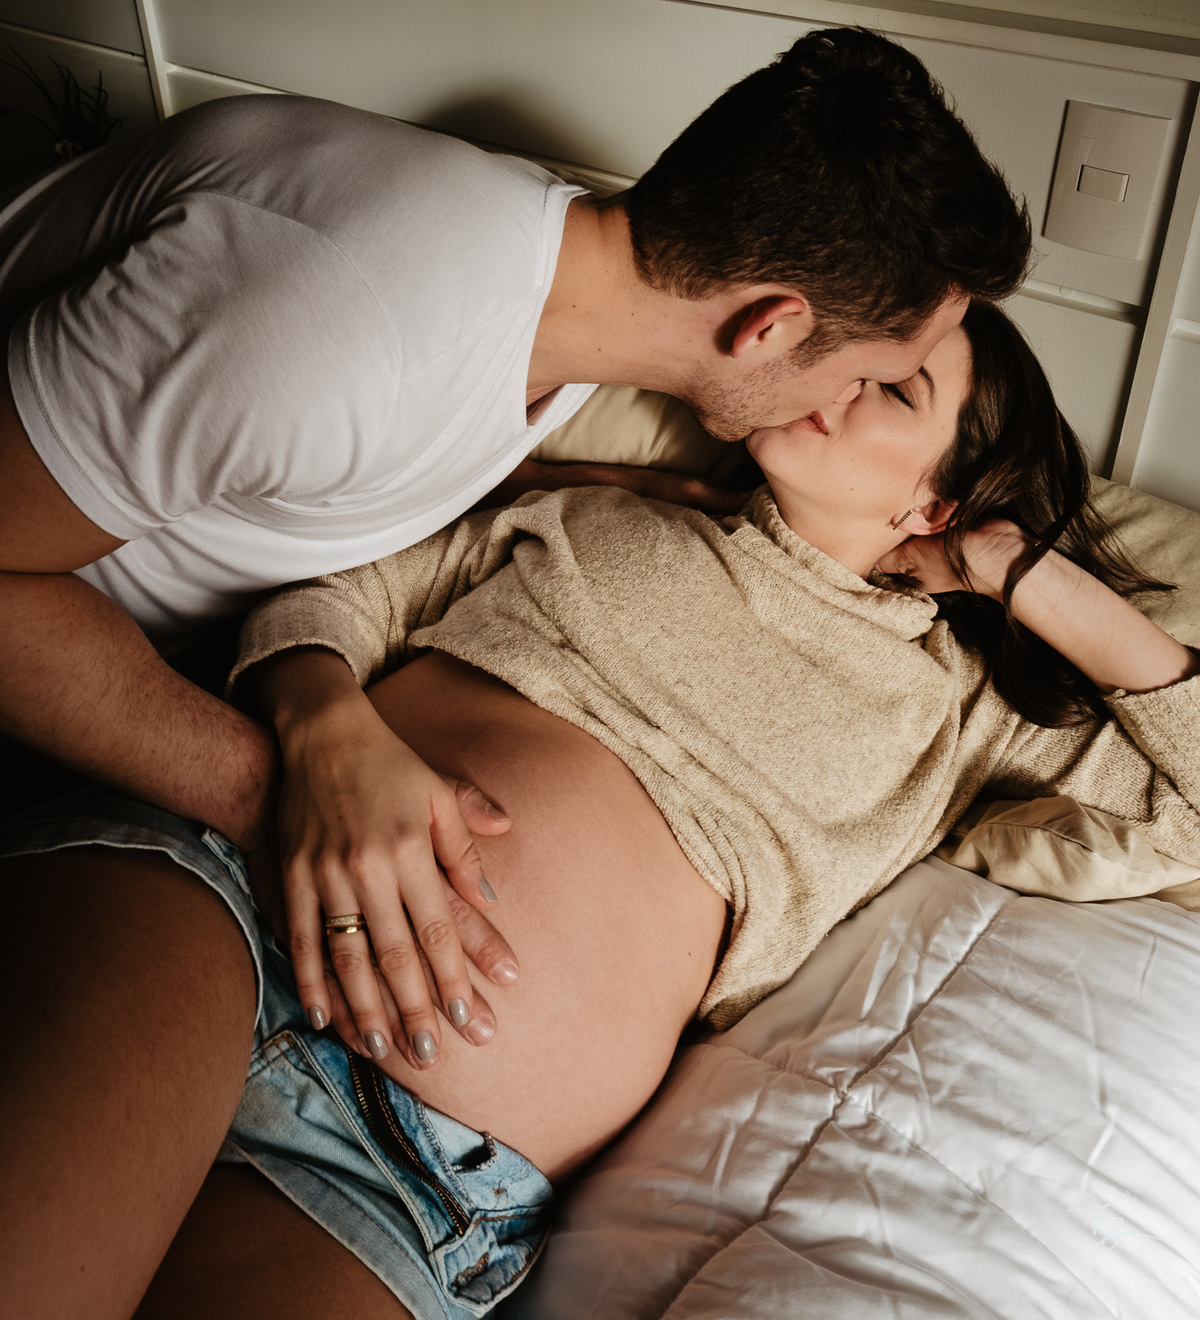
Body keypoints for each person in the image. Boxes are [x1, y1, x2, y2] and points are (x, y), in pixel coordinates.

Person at [2, 301, 1195, 1318]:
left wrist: (1019, 570)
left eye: (896, 384)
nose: (839, 371)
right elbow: (350, 587)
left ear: (940, 499)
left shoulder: (960, 711)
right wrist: (327, 720)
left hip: (412, 1178)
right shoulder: (618, 513)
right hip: (231, 906)